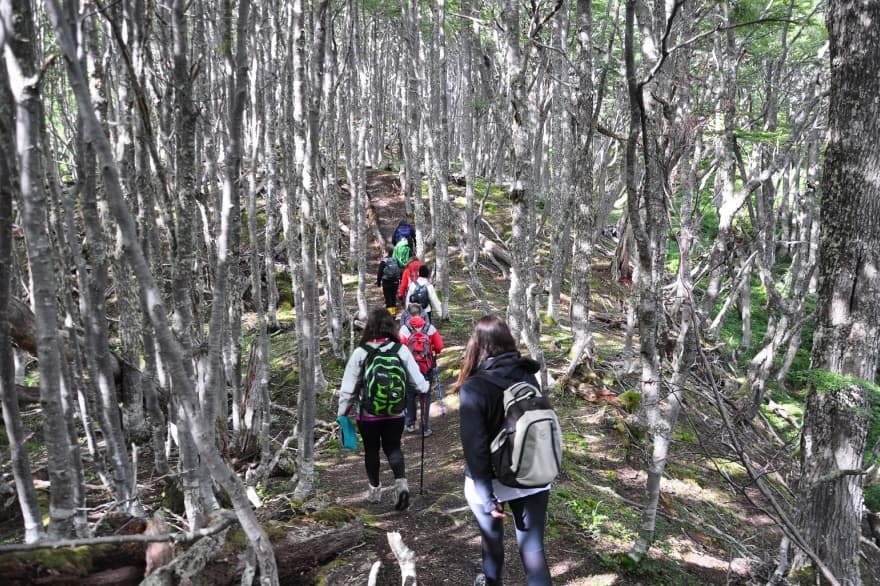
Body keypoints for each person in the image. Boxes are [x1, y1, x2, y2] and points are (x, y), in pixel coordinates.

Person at [455, 315, 553, 586]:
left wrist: (487, 495)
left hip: (493, 483)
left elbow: (475, 447)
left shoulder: (474, 387)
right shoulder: (529, 374)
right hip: (534, 476)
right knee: (534, 554)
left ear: (477, 346)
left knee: (493, 545)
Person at [337, 309, 429, 510]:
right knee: (393, 447)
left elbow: (348, 389)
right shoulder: (400, 350)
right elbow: (420, 385)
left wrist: (342, 412)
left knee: (372, 450)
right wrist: (424, 388)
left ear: (369, 327)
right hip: (396, 412)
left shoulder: (361, 353)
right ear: (391, 327)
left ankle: (375, 491)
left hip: (368, 414)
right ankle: (401, 484)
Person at [398, 303, 444, 436]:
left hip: (410, 368)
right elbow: (439, 346)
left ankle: (410, 423)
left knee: (410, 395)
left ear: (408, 314)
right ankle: (425, 427)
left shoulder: (404, 329)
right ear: (422, 313)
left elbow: (400, 348)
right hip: (426, 367)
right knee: (425, 395)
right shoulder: (430, 328)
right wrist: (432, 350)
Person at [376, 245, 401, 315]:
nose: (383, 254)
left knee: (388, 299)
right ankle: (393, 314)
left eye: (383, 252)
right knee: (393, 298)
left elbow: (379, 273)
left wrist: (378, 282)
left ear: (386, 253)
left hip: (386, 283)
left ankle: (390, 315)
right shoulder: (396, 260)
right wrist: (400, 279)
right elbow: (400, 270)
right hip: (395, 282)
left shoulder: (383, 262)